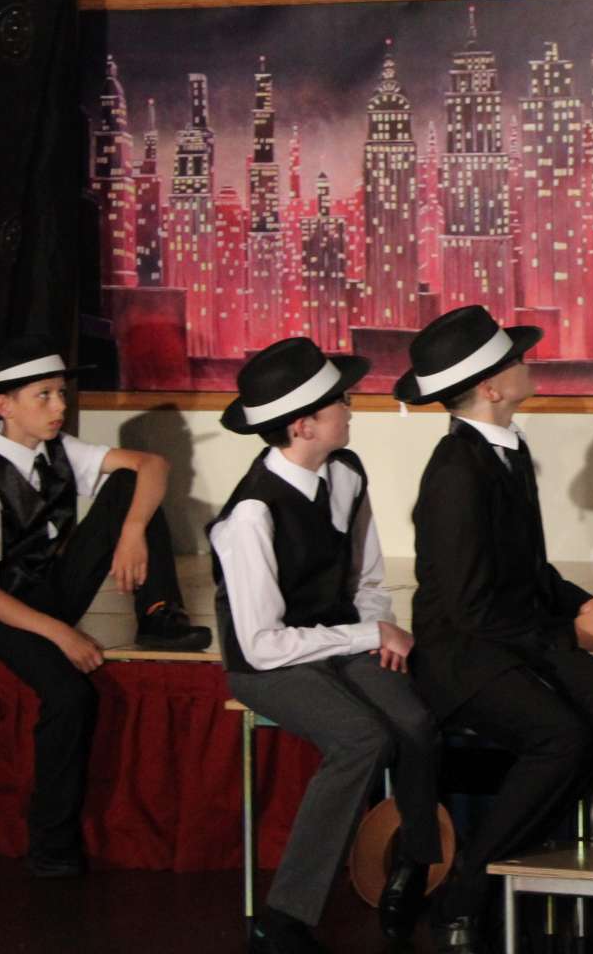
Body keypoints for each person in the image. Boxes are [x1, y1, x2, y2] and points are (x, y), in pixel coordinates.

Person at [397, 306, 593, 953]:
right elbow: (471, 611)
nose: (526, 366)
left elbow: (531, 571)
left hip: (513, 636)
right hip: (462, 657)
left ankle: (519, 855)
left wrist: (589, 606)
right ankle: (467, 889)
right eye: (515, 361)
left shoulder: (508, 449)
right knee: (561, 736)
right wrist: (570, 636)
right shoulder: (456, 472)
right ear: (492, 388)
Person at [0, 335, 210, 878]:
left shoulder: (57, 452)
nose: (59, 406)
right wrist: (64, 635)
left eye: (61, 393)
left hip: (52, 591)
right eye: (44, 395)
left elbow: (152, 465)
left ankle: (157, 614)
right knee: (69, 695)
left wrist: (132, 531)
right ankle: (50, 843)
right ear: (5, 406)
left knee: (131, 484)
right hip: (4, 613)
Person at [209, 338, 442, 954]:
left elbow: (367, 578)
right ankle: (284, 918)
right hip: (269, 662)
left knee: (414, 718)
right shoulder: (251, 514)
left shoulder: (347, 472)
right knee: (361, 736)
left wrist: (375, 630)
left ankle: (414, 862)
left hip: (337, 638)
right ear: (303, 425)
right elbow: (263, 643)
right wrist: (368, 634)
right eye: (339, 400)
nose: (350, 406)